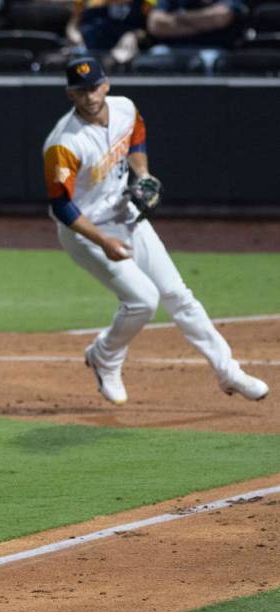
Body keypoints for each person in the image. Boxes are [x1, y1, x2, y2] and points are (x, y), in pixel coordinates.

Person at [42, 57, 269, 405]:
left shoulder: (125, 109)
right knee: (143, 300)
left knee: (178, 294)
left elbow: (136, 141)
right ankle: (106, 356)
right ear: (69, 94)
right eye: (80, 90)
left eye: (93, 87)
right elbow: (62, 206)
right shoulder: (64, 144)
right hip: (84, 231)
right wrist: (104, 242)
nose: (89, 96)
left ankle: (229, 372)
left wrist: (143, 174)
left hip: (124, 213)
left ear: (106, 84)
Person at [67, 0, 155, 65]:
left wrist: (134, 35)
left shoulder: (144, 4)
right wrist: (77, 37)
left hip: (131, 56)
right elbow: (75, 26)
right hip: (95, 54)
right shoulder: (94, 4)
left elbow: (149, 31)